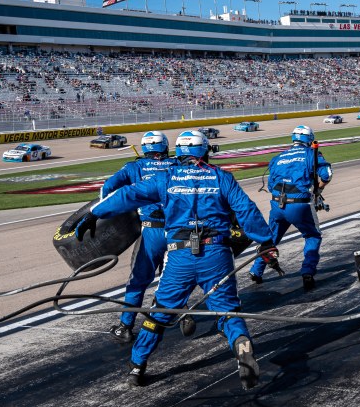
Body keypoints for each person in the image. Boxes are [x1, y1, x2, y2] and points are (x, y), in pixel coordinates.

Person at [75, 130, 280, 390]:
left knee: (159, 313)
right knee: (227, 310)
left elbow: (127, 194)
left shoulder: (166, 177)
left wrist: (95, 213)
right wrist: (266, 241)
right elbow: (246, 209)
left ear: (179, 152)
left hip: (180, 255)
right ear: (205, 151)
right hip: (217, 254)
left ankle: (137, 365)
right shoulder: (222, 177)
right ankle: (241, 341)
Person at [101, 131, 178, 344]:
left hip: (151, 232)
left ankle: (125, 326)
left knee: (138, 280)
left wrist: (109, 216)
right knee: (176, 278)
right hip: (178, 230)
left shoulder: (134, 167)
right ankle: (183, 315)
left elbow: (107, 187)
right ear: (165, 146)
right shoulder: (177, 164)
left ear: (144, 148)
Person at [248, 125, 332, 291]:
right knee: (313, 236)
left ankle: (256, 271)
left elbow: (271, 185)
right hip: (300, 204)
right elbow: (327, 175)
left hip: (277, 204)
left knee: (270, 239)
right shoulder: (312, 154)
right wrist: (318, 190)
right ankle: (307, 271)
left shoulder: (278, 157)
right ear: (310, 139)